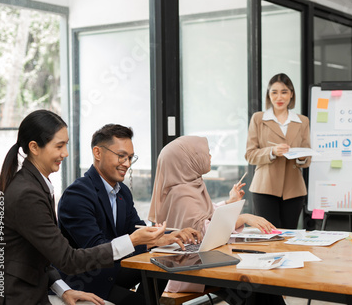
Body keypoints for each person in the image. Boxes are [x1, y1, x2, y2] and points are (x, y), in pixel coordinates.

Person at [0, 110, 169, 305]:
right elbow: (69, 259)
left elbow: (42, 255)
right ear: (34, 147)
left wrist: (63, 290)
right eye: (59, 146)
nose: (65, 153)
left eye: (65, 145)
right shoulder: (29, 194)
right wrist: (132, 241)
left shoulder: (34, 185)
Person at [57, 124, 200, 305]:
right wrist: (148, 241)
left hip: (114, 271)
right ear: (97, 153)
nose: (127, 163)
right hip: (88, 279)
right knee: (139, 299)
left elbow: (137, 227)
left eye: (130, 157)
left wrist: (168, 236)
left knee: (167, 263)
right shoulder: (77, 195)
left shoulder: (122, 191)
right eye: (121, 156)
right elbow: (95, 248)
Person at [148, 136, 285, 304]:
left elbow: (207, 213)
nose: (210, 157)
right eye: (206, 153)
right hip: (192, 270)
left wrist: (229, 202)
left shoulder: (192, 183)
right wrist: (244, 217)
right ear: (189, 160)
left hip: (205, 261)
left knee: (262, 286)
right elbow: (205, 231)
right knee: (255, 288)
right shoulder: (181, 193)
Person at [245, 73, 311, 229]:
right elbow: (250, 155)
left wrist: (299, 156)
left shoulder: (302, 121)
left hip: (293, 189)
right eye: (274, 92)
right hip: (265, 187)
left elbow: (307, 157)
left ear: (291, 94)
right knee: (268, 237)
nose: (279, 97)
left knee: (289, 236)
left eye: (284, 92)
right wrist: (272, 151)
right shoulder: (258, 119)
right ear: (269, 95)